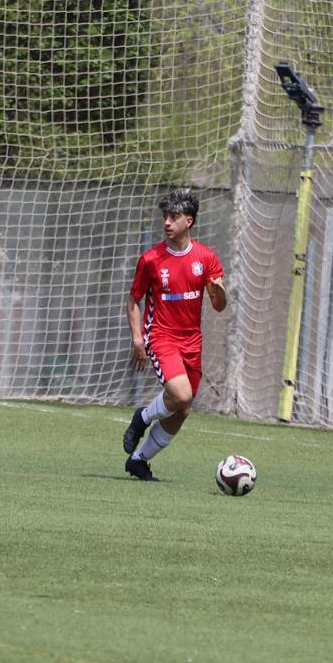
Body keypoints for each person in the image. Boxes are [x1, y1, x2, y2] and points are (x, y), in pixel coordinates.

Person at [121, 187, 227, 481]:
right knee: (181, 395)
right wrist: (138, 340)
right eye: (165, 216)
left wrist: (219, 292)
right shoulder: (151, 259)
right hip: (161, 337)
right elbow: (133, 299)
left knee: (182, 409)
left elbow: (218, 306)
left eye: (174, 217)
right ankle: (142, 417)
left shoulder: (206, 258)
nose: (167, 222)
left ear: (189, 221)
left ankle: (139, 460)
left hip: (192, 341)